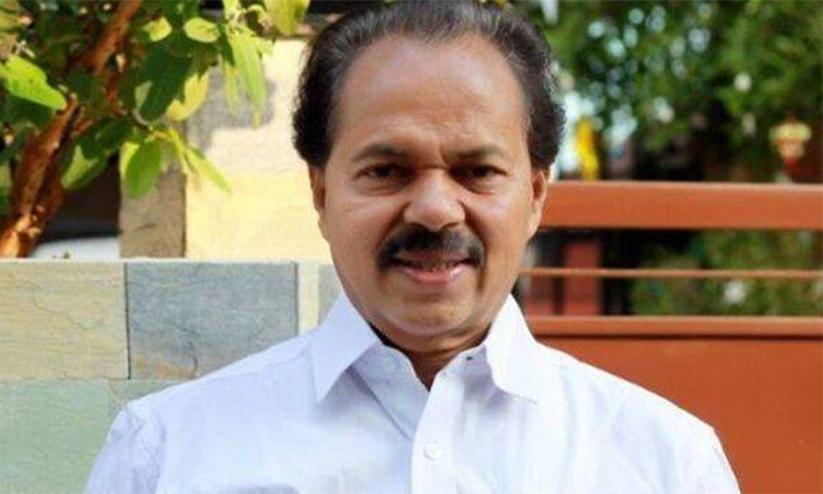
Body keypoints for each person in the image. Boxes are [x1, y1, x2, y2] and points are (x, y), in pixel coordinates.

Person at [86, 2, 740, 492]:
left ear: (536, 194)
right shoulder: (168, 454)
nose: (433, 209)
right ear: (322, 192)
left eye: (477, 171)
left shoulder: (663, 464)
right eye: (387, 170)